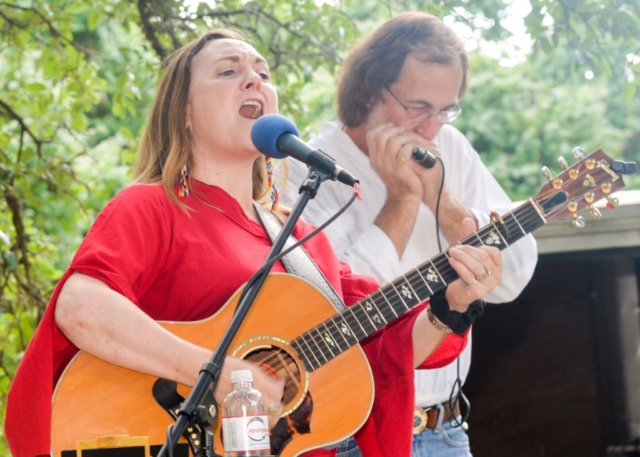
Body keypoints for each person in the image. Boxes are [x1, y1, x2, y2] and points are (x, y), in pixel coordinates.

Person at [4, 29, 503, 457]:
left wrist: (450, 307)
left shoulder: (303, 240)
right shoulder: (152, 206)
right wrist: (221, 374)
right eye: (227, 71)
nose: (253, 79)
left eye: (263, 73)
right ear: (185, 114)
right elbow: (81, 307)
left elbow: (382, 350)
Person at [282, 12, 538, 457]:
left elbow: (512, 279)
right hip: (348, 437)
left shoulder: (451, 147)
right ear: (368, 91)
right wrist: (401, 200)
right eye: (418, 107)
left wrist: (442, 199)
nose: (432, 126)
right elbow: (331, 310)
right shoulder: (307, 170)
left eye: (446, 109)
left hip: (445, 429)